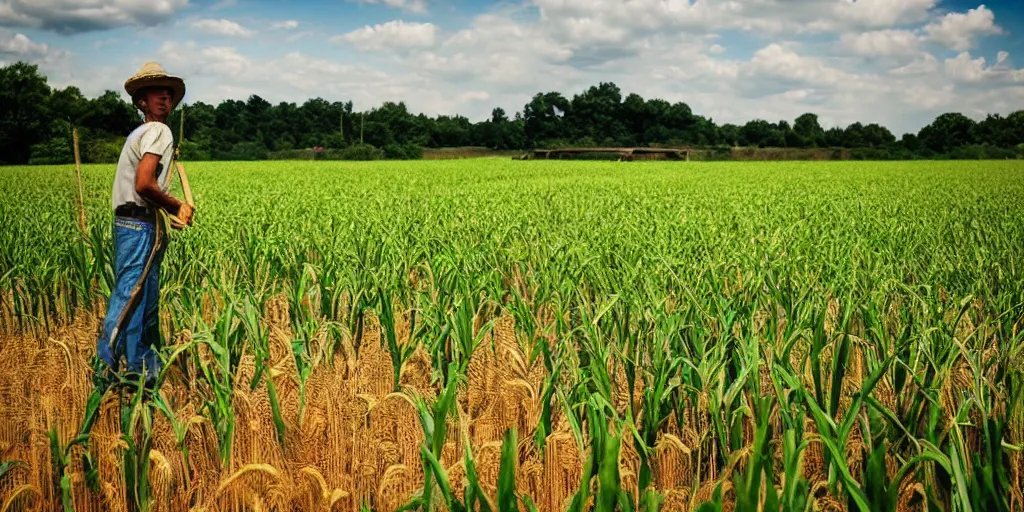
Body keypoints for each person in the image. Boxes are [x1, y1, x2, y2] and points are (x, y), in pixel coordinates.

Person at [95, 62, 193, 387]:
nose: (164, 98)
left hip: (135, 224)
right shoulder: (158, 131)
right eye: (156, 94)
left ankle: (142, 376)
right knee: (130, 298)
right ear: (141, 102)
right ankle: (103, 374)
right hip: (139, 227)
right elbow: (144, 184)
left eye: (168, 94)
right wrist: (177, 205)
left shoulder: (138, 133)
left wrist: (165, 212)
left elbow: (144, 187)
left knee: (145, 303)